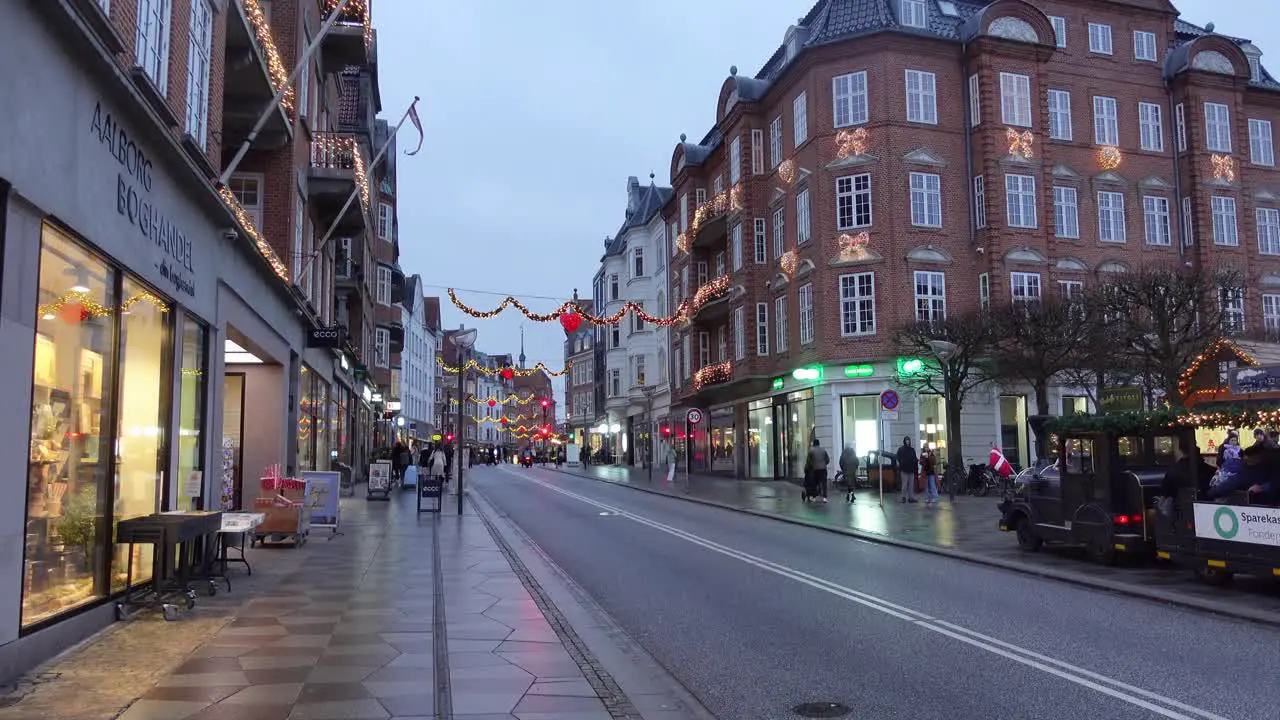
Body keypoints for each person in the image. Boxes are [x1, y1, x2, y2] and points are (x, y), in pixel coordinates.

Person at [804, 437, 830, 503]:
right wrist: (823, 463)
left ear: (813, 444)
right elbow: (827, 460)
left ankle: (814, 497)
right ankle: (825, 497)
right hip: (823, 469)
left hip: (815, 469)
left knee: (814, 483)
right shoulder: (823, 450)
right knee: (824, 483)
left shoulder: (811, 451)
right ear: (819, 444)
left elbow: (808, 462)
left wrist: (806, 469)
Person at [897, 436, 919, 504]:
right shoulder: (901, 449)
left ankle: (911, 497)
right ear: (904, 441)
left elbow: (915, 459)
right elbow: (898, 458)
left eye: (908, 440)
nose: (907, 441)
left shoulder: (912, 450)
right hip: (904, 469)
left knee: (911, 484)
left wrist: (916, 468)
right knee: (904, 484)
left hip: (911, 469)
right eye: (906, 440)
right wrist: (902, 464)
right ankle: (903, 497)